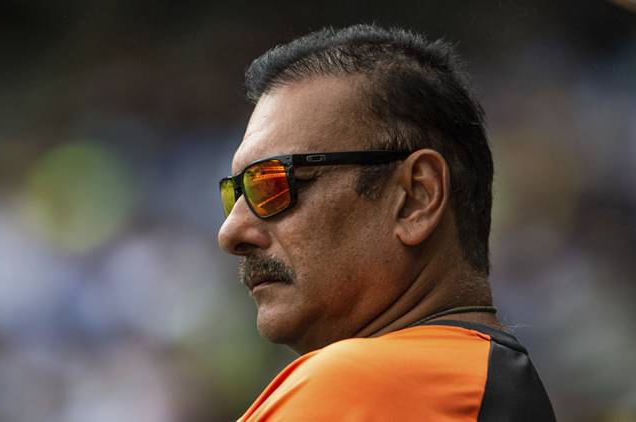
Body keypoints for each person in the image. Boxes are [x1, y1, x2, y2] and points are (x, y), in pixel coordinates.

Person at [217, 24, 555, 421]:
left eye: (273, 184)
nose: (231, 232)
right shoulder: (488, 385)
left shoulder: (358, 384)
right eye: (234, 195)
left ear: (416, 197)